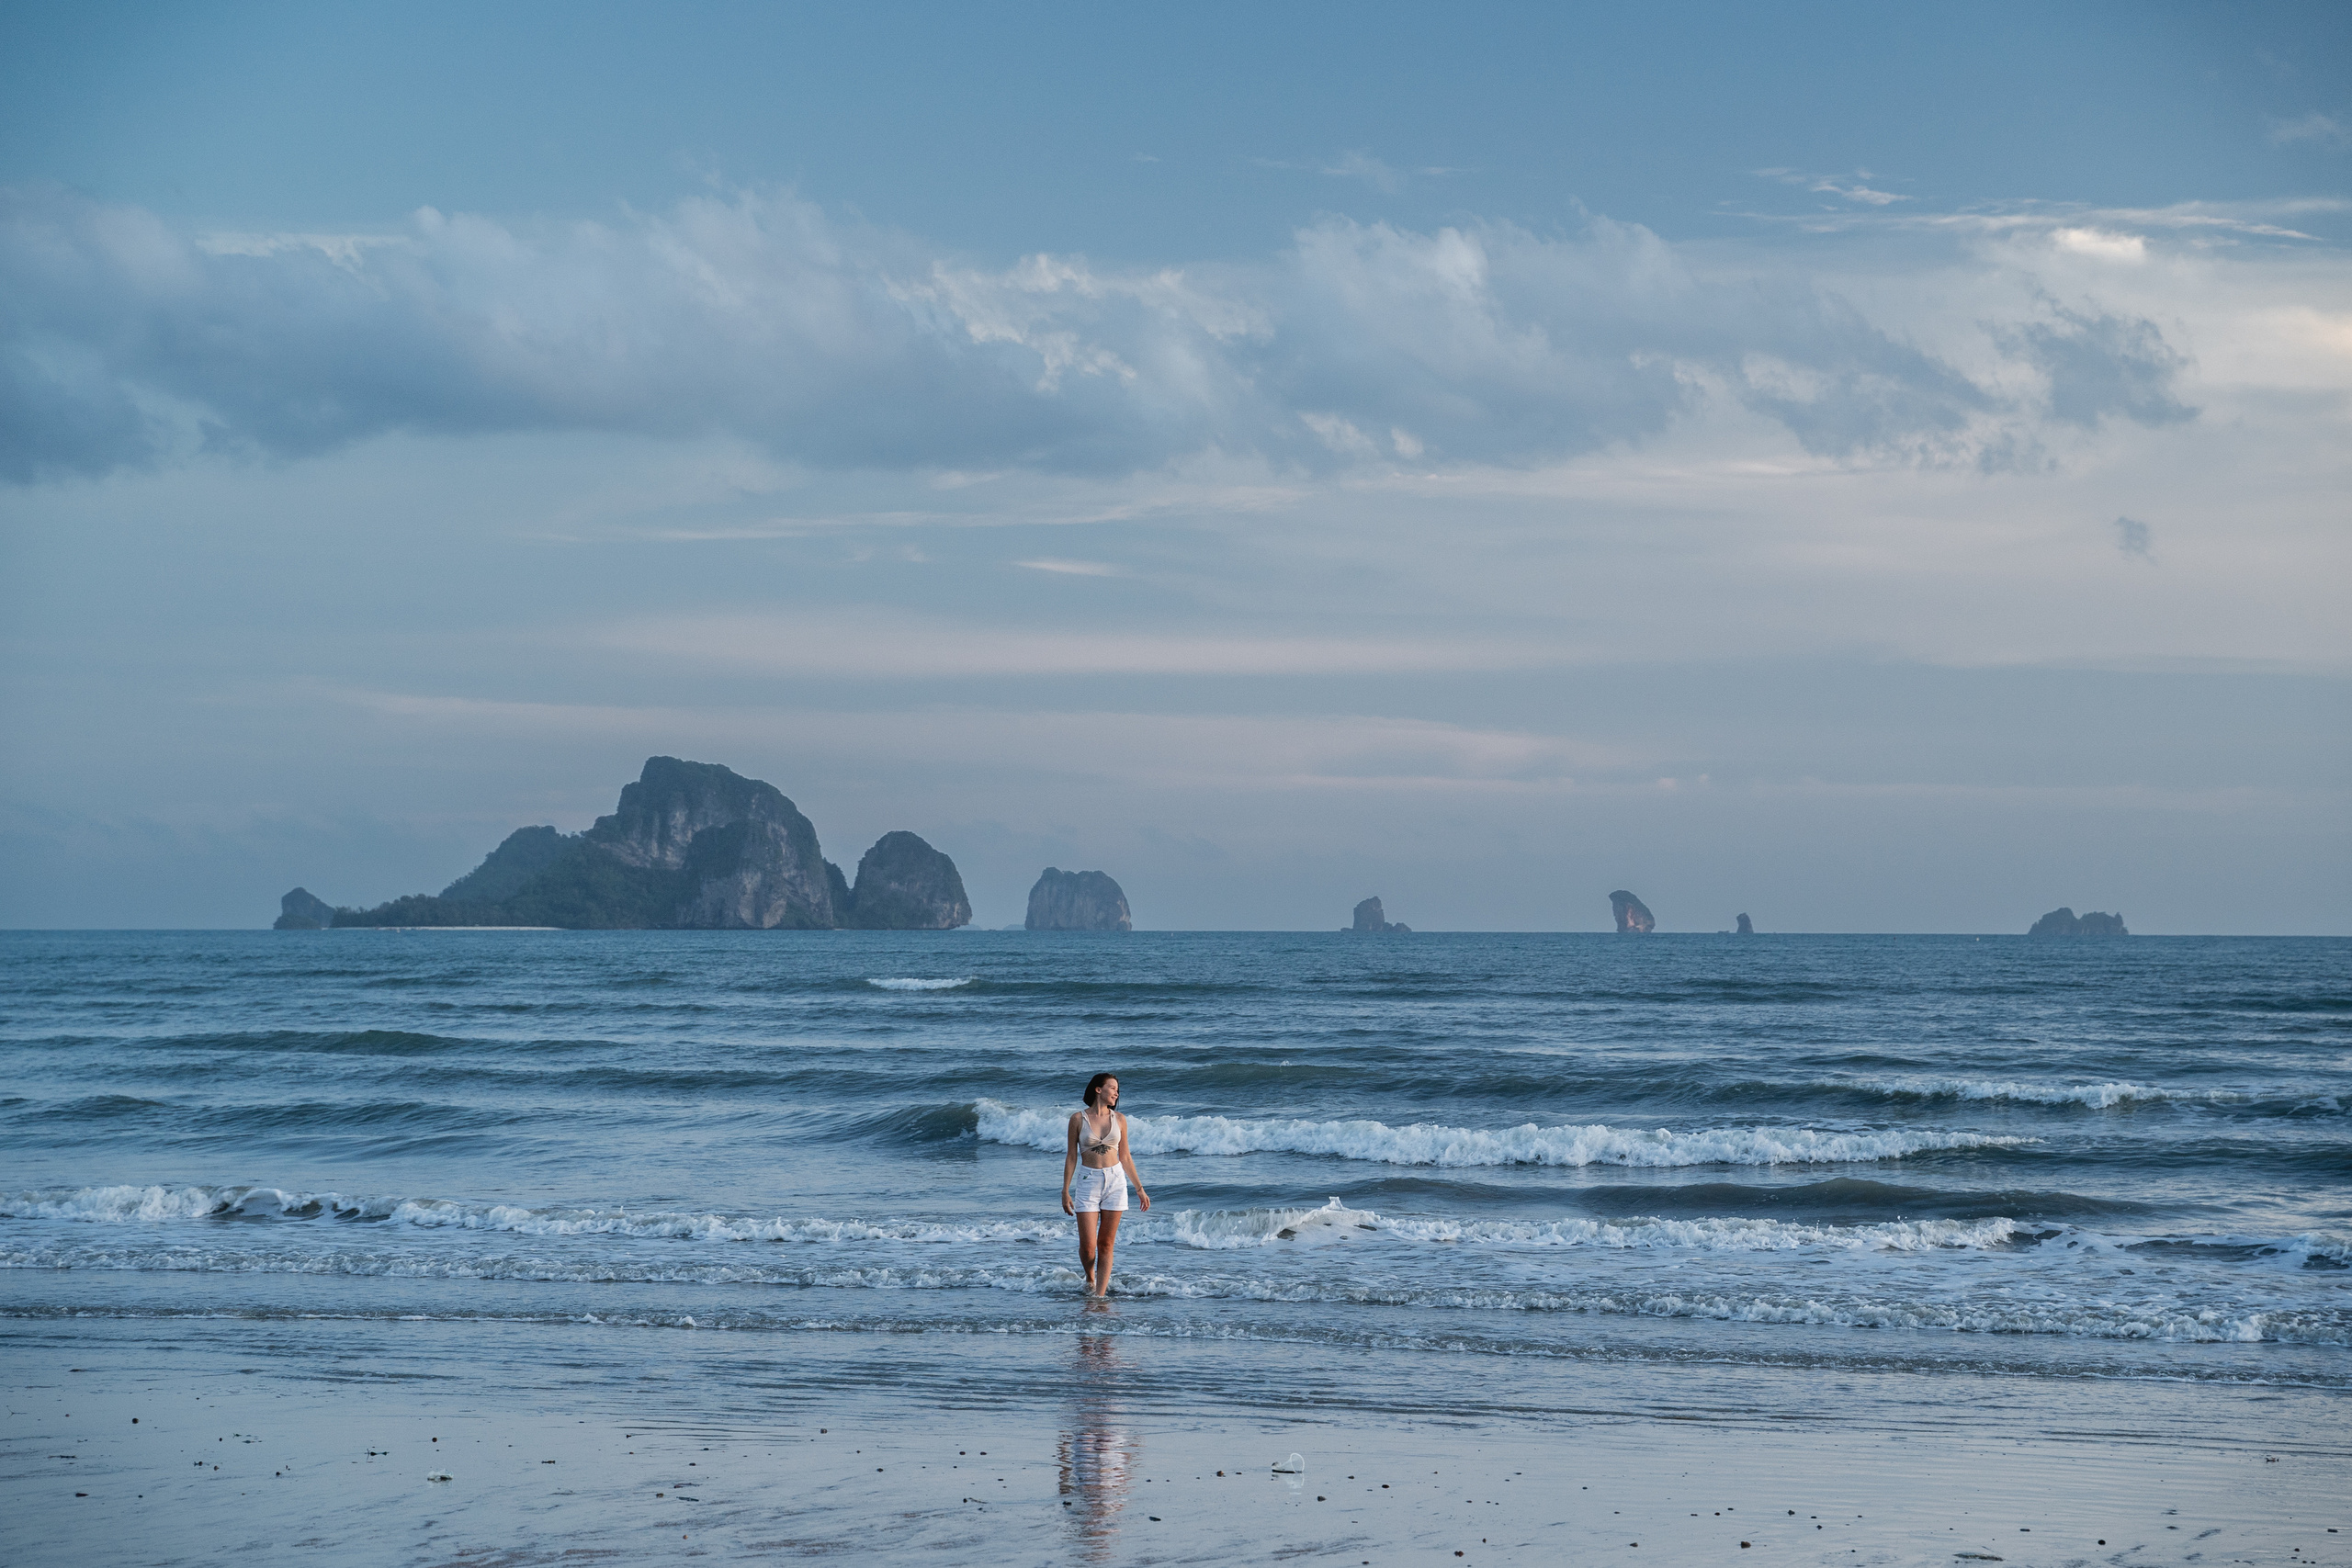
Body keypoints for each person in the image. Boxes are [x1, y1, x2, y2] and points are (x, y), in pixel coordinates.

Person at [1061, 1072, 1149, 1297]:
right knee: (1088, 1248)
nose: (1116, 1093)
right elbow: (1072, 1156)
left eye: (1118, 1089)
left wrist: (1139, 1188)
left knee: (1106, 1244)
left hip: (1116, 1181)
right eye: (1112, 1088)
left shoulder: (1119, 1119)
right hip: (1087, 1181)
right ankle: (1090, 1276)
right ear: (1098, 1090)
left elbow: (1126, 1156)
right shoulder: (1077, 1119)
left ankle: (1100, 1296)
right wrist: (1065, 1189)